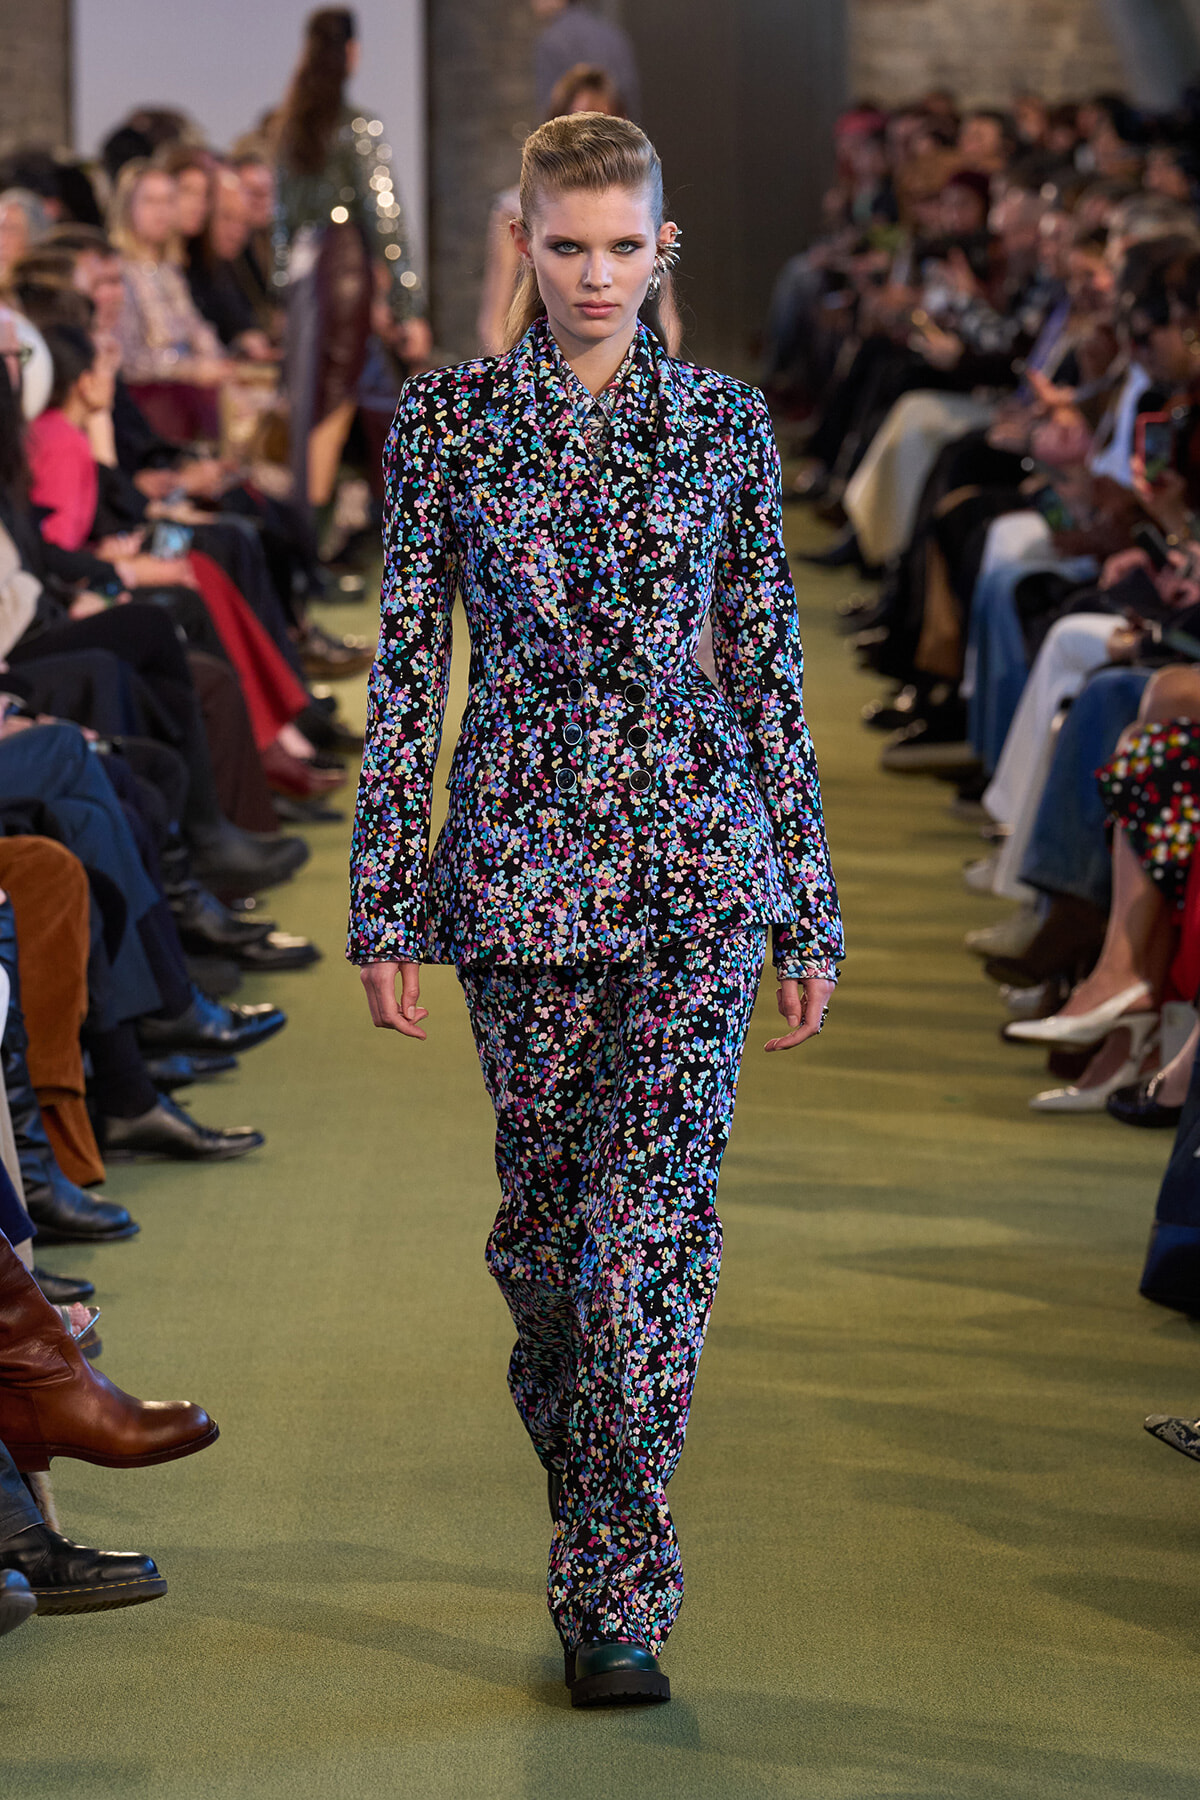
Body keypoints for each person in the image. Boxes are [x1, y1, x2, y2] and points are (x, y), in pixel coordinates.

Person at [348, 112, 842, 1707]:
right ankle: (595, 1502)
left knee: (649, 1245)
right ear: (522, 242)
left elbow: (767, 666)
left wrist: (808, 901)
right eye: (569, 245)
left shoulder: (723, 427)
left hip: (700, 860)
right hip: (516, 869)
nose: (596, 276)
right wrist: (384, 895)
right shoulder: (442, 427)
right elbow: (410, 669)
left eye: (626, 245)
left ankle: (618, 1590)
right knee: (552, 1255)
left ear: (663, 247)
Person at [272, 6, 429, 510]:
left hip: (305, 277)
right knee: (340, 404)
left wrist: (283, 293)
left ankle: (312, 535)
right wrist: (407, 305)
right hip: (344, 270)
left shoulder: (291, 129)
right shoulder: (357, 127)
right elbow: (386, 217)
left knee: (315, 403)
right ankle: (324, 542)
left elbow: (282, 222)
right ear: (351, 53)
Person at [531, 0, 640, 122]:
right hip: (616, 133)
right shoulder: (614, 35)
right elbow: (629, 99)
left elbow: (549, 110)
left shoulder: (551, 40)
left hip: (571, 135)